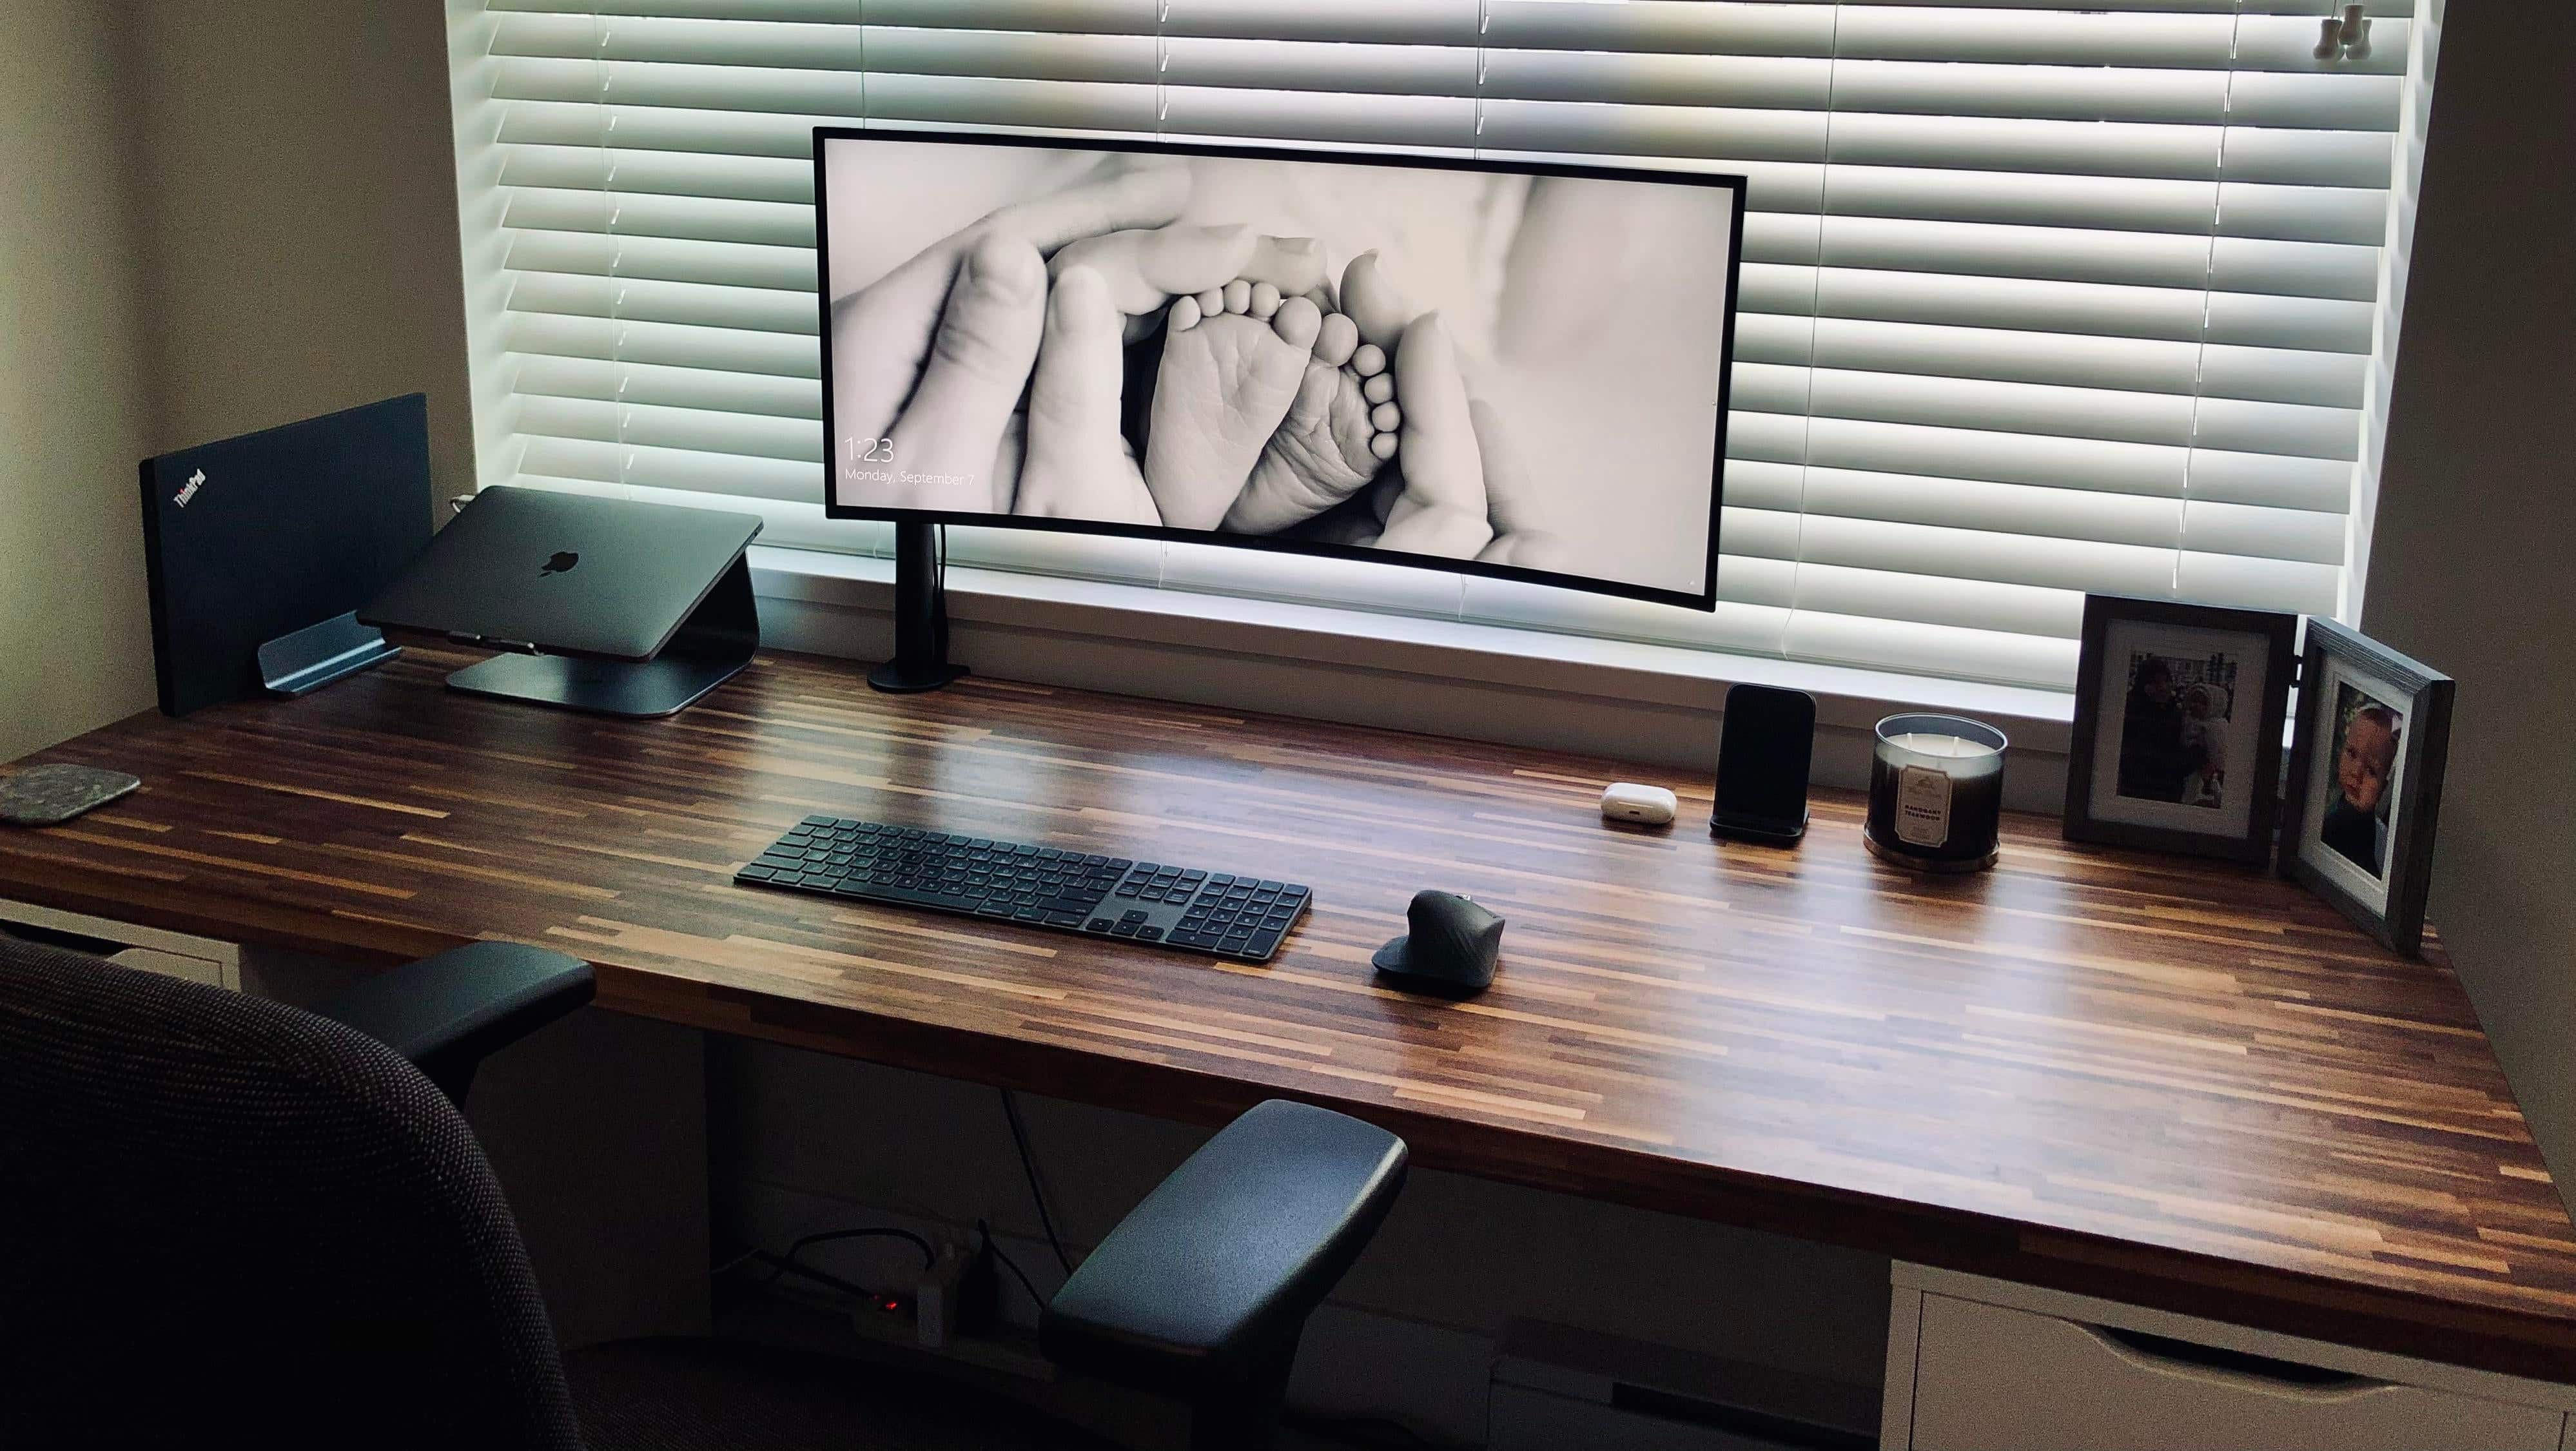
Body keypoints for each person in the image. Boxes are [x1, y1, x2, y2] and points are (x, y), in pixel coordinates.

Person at [2320, 705, 2401, 875]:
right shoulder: (2343, 803)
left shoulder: (2343, 823)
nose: (2357, 772)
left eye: (2371, 770)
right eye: (2352, 753)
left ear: (2382, 789)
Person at [2116, 657, 2201, 803]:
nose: (2163, 687)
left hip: (2167, 796)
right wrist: (2194, 756)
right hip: (2140, 795)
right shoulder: (2133, 715)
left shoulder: (2175, 713)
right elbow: (2153, 761)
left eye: (2166, 681)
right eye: (2155, 683)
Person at [2179, 683, 2229, 808]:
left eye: (2203, 703)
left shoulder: (2216, 727)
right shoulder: (2188, 721)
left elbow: (2219, 754)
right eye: (2194, 701)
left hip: (2205, 776)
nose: (2196, 705)